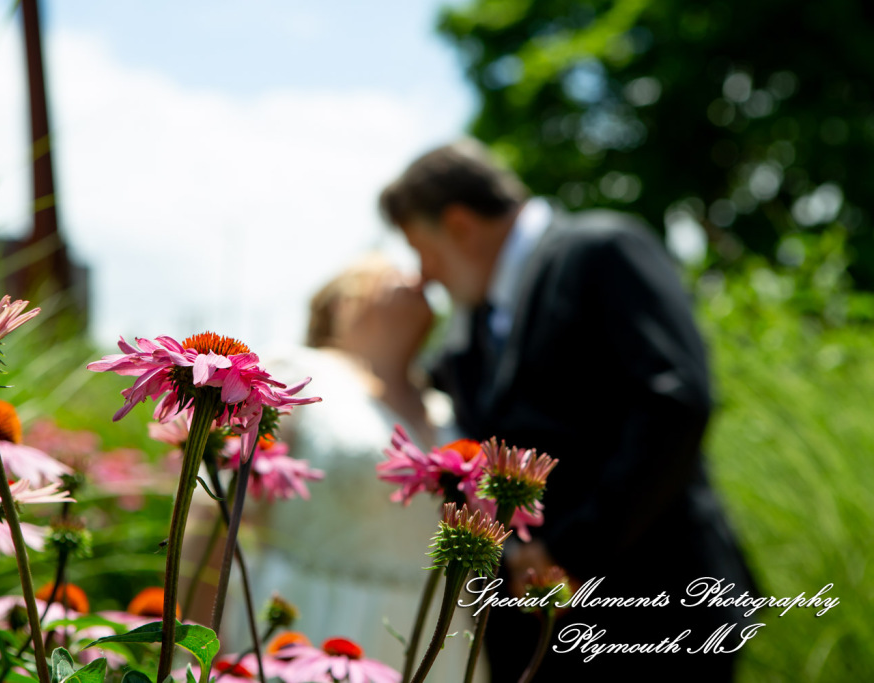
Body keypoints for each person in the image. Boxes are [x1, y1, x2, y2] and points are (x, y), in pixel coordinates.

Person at [379, 140, 757, 682]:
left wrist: (572, 548)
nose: (424, 275)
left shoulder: (602, 249)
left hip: (658, 613)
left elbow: (673, 401)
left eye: (423, 249)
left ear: (460, 224)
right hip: (544, 638)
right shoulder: (472, 325)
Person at [226, 254, 486, 682]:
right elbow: (215, 513)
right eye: (392, 273)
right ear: (341, 304)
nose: (417, 276)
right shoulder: (297, 376)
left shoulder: (445, 407)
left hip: (434, 634)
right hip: (312, 621)